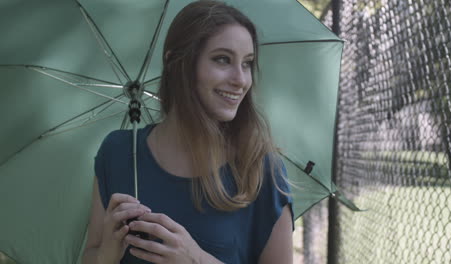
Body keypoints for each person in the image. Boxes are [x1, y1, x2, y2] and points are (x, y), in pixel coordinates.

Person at [82, 1, 293, 263]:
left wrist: (195, 259)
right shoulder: (117, 153)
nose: (241, 79)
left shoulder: (261, 169)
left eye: (247, 63)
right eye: (222, 59)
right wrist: (107, 253)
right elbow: (91, 253)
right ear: (176, 63)